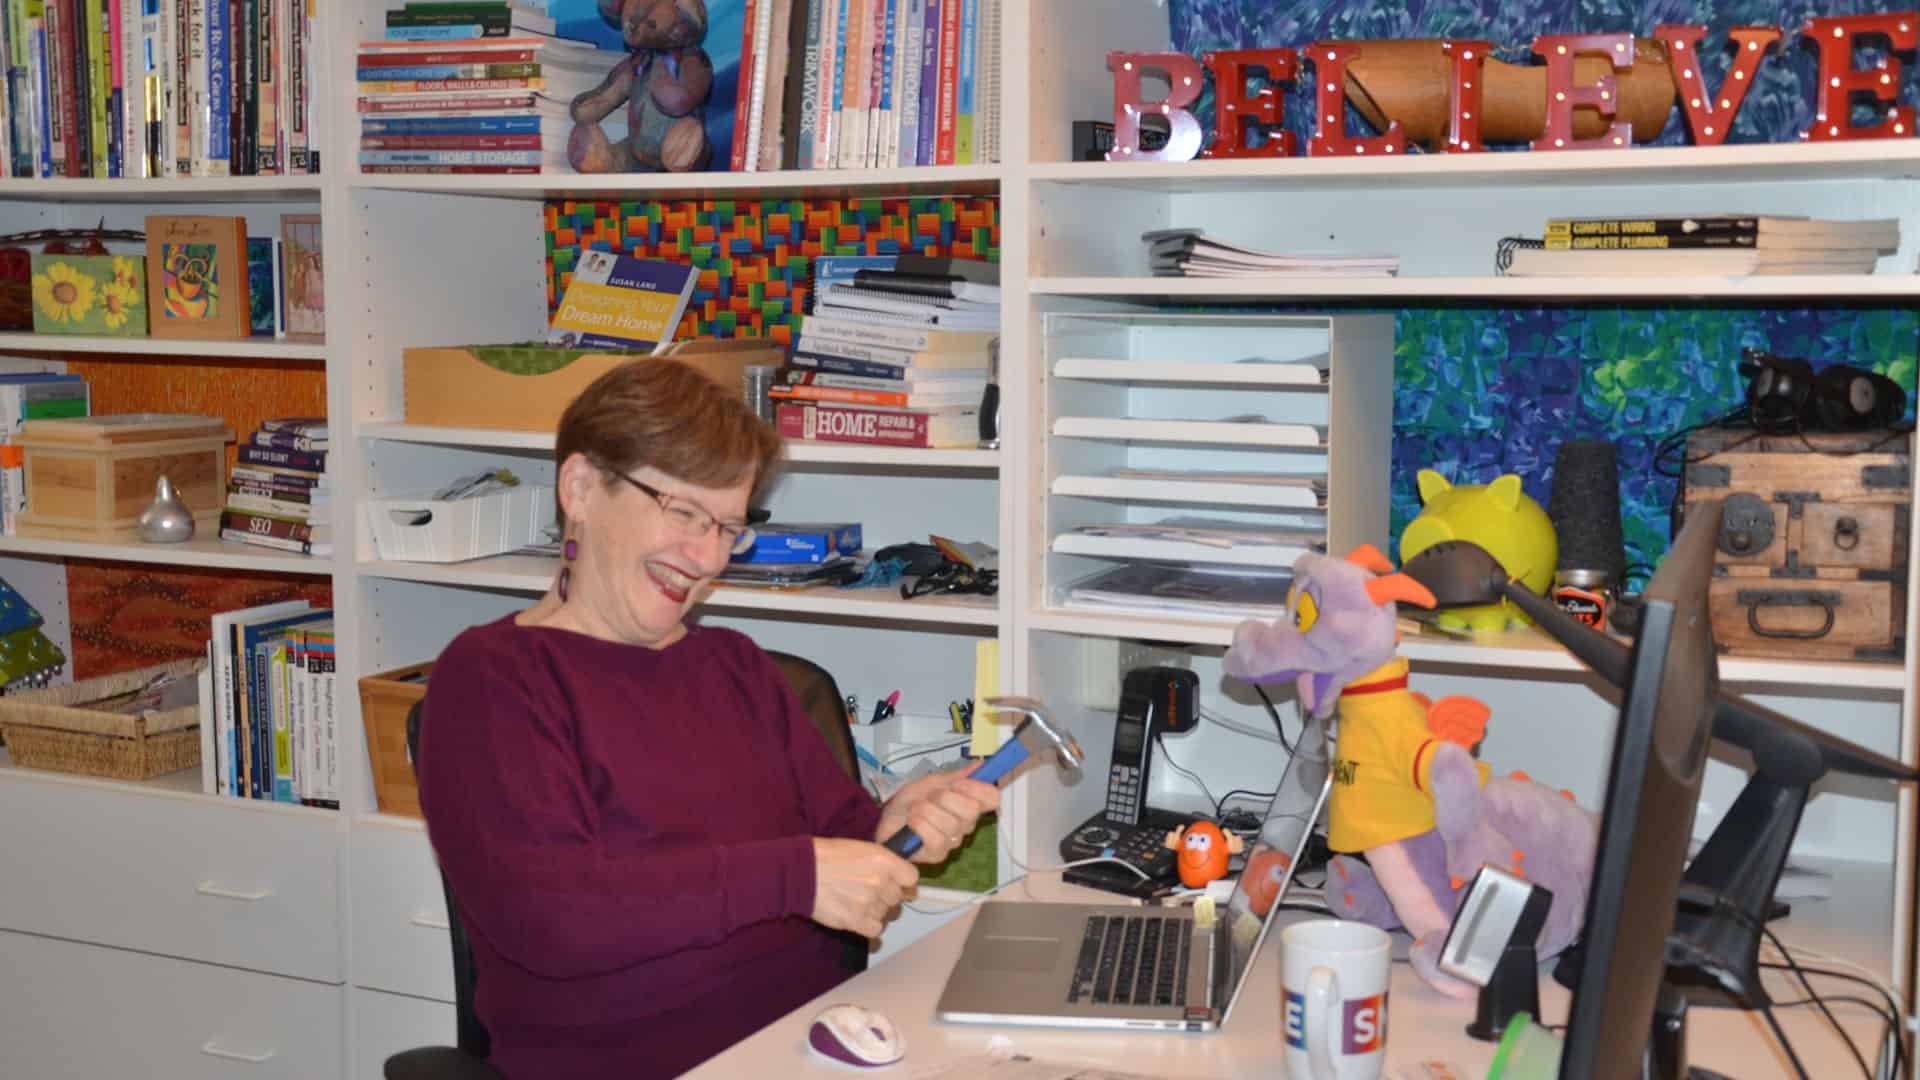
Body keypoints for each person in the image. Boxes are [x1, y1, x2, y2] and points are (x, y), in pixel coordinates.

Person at [416, 359, 1000, 1079]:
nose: (707, 557)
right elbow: (552, 919)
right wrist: (799, 874)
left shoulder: (736, 665)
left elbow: (837, 839)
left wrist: (894, 827)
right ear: (581, 488)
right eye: (685, 513)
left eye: (728, 527)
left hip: (818, 1046)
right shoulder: (495, 679)